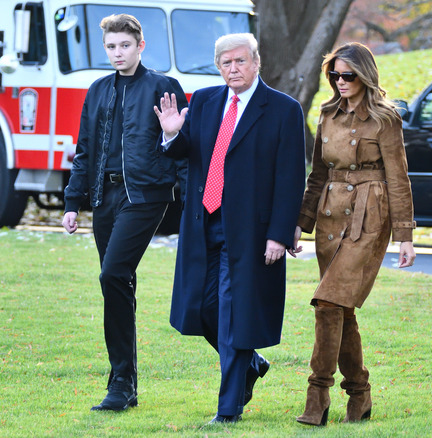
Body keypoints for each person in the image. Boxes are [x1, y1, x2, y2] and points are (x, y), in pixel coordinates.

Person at [154, 33, 306, 424]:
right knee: (202, 310)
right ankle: (251, 364)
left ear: (257, 62)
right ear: (218, 66)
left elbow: (291, 176)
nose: (233, 69)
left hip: (251, 232)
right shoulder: (204, 101)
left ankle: (228, 410)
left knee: (234, 316)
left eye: (240, 61)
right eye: (226, 63)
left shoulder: (283, 109)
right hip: (204, 224)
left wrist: (279, 231)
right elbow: (187, 150)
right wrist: (172, 132)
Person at [62, 14, 187, 412]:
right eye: (112, 47)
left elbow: (184, 147)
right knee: (117, 284)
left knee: (113, 273)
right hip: (105, 197)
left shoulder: (163, 87)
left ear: (140, 46)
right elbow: (85, 149)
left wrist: (192, 200)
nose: (118, 53)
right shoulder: (98, 90)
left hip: (146, 195)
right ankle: (124, 385)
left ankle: (120, 382)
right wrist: (72, 201)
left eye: (125, 46)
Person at [290, 42, 417, 426]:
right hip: (330, 216)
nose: (340, 81)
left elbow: (399, 178)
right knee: (340, 309)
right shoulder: (327, 114)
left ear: (364, 75)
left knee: (328, 303)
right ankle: (359, 396)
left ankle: (317, 396)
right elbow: (317, 176)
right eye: (335, 75)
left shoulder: (385, 118)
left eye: (348, 75)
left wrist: (405, 235)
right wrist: (300, 222)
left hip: (369, 216)